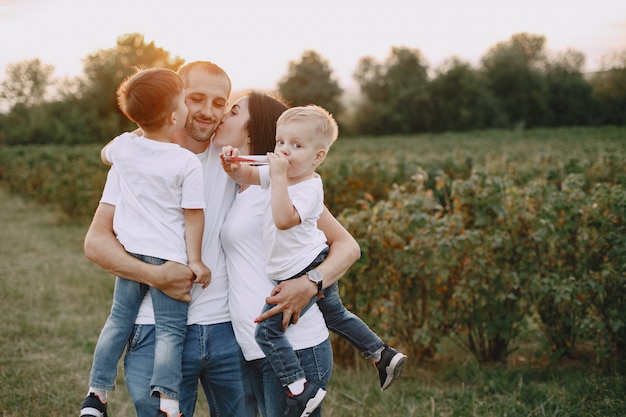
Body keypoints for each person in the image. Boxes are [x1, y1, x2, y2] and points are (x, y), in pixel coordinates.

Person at [82, 61, 361, 417]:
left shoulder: (237, 162)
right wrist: (155, 276)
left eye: (221, 104)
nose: (209, 112)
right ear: (176, 103)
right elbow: (96, 243)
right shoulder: (138, 159)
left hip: (226, 329)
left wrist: (311, 283)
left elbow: (344, 243)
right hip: (156, 325)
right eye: (196, 99)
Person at [221, 105, 408, 416]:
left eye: (296, 145)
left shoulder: (307, 187)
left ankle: (300, 389)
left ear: (317, 156)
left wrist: (278, 176)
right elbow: (248, 173)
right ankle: (381, 354)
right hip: (295, 269)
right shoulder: (280, 176)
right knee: (336, 314)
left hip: (305, 268)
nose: (284, 151)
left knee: (268, 331)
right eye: (281, 143)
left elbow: (283, 219)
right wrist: (231, 165)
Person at [80, 68, 211, 417]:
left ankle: (97, 394)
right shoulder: (185, 161)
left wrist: (143, 126)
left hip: (130, 252)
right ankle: (169, 401)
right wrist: (195, 261)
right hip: (167, 257)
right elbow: (193, 215)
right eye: (184, 101)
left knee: (117, 321)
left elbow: (106, 153)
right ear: (174, 116)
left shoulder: (124, 147)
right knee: (170, 331)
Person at [215, 91, 335, 417]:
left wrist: (311, 283)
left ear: (251, 131)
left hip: (294, 343)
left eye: (233, 111)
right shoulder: (243, 185)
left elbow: (347, 246)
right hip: (257, 346)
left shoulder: (285, 187)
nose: (223, 115)